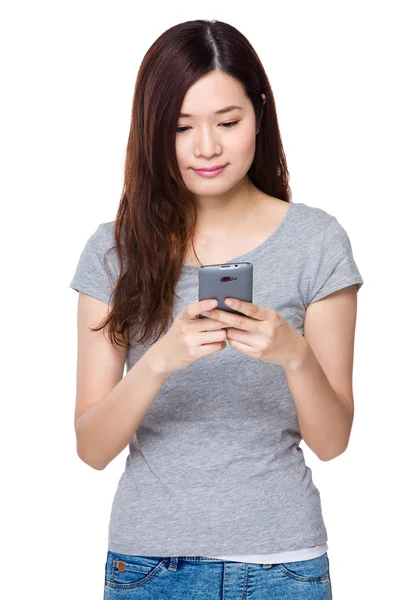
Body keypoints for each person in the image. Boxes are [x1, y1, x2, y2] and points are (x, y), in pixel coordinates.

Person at [69, 19, 363, 600]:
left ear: (259, 112)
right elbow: (91, 448)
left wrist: (294, 357)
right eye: (181, 128)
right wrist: (159, 361)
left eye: (228, 122)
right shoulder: (114, 249)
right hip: (149, 567)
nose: (207, 147)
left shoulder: (316, 241)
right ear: (153, 132)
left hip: (286, 565)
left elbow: (333, 443)